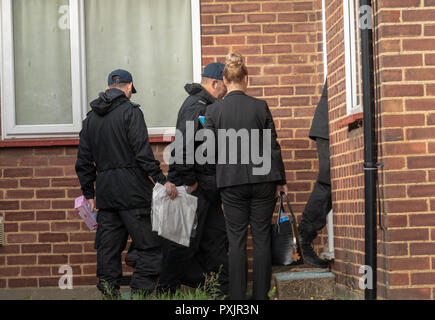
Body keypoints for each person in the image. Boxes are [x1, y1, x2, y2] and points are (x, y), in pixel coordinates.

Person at [75, 69, 178, 298]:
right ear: (129, 87)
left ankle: (110, 294)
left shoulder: (90, 119)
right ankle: (139, 294)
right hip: (134, 193)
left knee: (108, 248)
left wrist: (88, 193)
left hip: (106, 194)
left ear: (108, 87)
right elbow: (142, 155)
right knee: (150, 247)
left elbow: (83, 160)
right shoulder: (131, 113)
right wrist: (162, 181)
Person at [205, 53, 288, 300]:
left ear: (224, 79)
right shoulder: (260, 106)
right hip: (263, 181)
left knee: (236, 240)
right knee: (262, 237)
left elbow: (209, 151)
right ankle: (261, 297)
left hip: (231, 182)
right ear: (246, 78)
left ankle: (238, 299)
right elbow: (273, 146)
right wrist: (281, 181)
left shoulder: (213, 111)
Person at [157, 62, 230, 296]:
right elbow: (185, 147)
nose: (226, 92)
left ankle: (221, 292)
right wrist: (190, 181)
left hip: (207, 188)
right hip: (193, 186)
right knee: (181, 242)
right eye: (225, 86)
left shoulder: (207, 105)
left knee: (216, 240)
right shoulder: (196, 107)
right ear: (214, 82)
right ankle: (167, 290)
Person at [298, 81, 331, 268]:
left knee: (330, 185)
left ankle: (305, 235)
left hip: (328, 126)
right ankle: (304, 235)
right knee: (327, 183)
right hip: (327, 127)